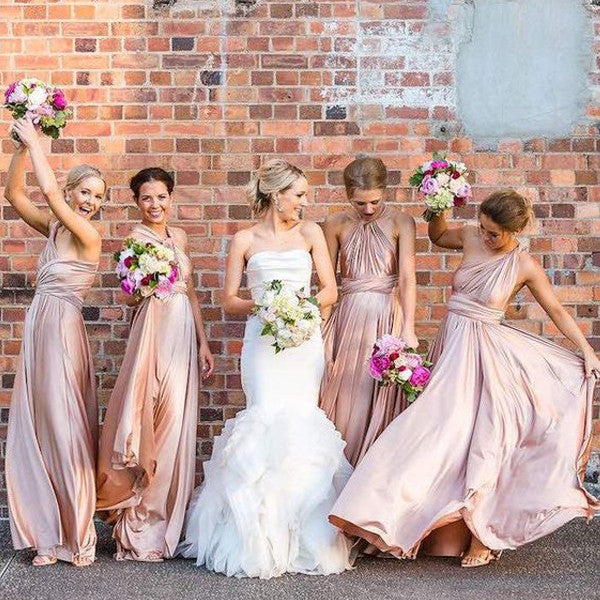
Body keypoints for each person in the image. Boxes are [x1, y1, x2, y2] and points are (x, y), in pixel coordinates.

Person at [329, 190, 600, 567]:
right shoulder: (471, 237)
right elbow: (439, 235)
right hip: (453, 344)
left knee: (484, 438)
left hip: (488, 355)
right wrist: (438, 203)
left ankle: (481, 535)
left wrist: (586, 350)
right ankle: (385, 518)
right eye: (482, 227)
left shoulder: (523, 265)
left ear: (515, 230)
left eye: (494, 233)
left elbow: (555, 309)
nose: (485, 236)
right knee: (431, 431)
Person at [179, 159, 353, 578]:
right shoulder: (244, 239)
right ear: (277, 195)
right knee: (264, 418)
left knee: (300, 422)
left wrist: (299, 308)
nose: (304, 202)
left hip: (302, 342)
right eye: (299, 194)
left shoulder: (310, 234)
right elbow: (229, 300)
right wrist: (268, 306)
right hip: (262, 342)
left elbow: (330, 289)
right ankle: (256, 538)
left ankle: (303, 536)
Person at [96, 167, 214, 562]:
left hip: (182, 331)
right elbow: (129, 297)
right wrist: (149, 278)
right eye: (146, 198)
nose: (155, 204)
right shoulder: (134, 239)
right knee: (148, 418)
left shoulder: (179, 237)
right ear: (136, 201)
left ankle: (163, 525)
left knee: (175, 422)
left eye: (161, 197)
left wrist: (202, 341)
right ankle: (139, 523)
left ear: (170, 197)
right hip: (152, 329)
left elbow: (190, 292)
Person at [5, 117, 105, 566]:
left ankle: (78, 535)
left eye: (98, 197)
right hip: (38, 326)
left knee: (65, 425)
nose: (91, 203)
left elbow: (47, 192)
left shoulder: (89, 236)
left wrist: (36, 140)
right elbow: (14, 195)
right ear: (72, 190)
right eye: (85, 192)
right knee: (41, 423)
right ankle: (47, 534)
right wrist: (20, 148)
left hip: (63, 331)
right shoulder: (53, 227)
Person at [319, 156, 417, 466]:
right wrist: (322, 329)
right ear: (348, 195)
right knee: (345, 391)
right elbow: (326, 281)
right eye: (360, 203)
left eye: (375, 201)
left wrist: (409, 327)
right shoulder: (335, 224)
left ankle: (372, 472)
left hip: (386, 315)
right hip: (348, 316)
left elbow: (407, 277)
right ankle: (342, 467)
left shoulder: (402, 222)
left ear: (384, 191)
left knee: (380, 391)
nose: (369, 209)